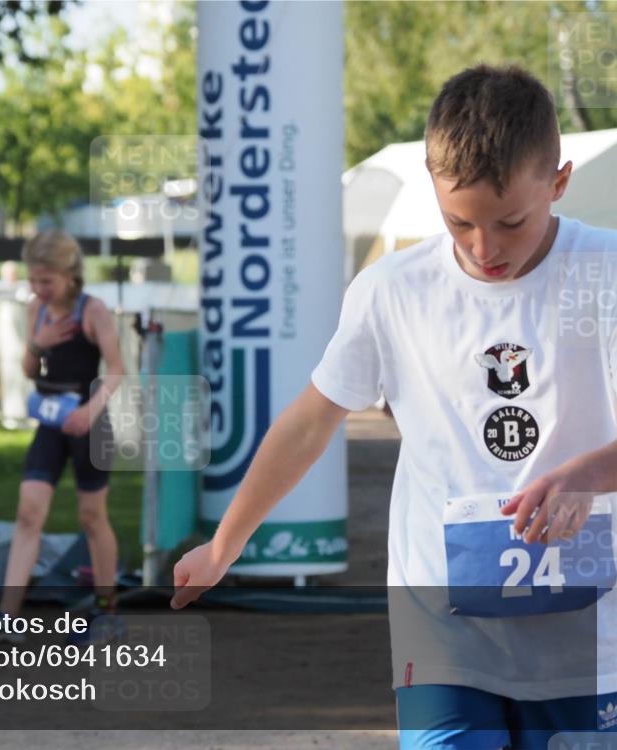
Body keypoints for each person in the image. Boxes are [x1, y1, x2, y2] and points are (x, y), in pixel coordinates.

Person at [171, 65, 616, 748]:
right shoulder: (392, 291)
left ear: (559, 181)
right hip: (441, 616)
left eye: (511, 222)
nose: (484, 248)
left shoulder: (605, 272)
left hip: (586, 622)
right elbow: (310, 421)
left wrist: (587, 475)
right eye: (458, 221)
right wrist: (226, 543)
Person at [0, 230, 124, 645]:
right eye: (34, 280)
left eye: (46, 281)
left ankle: (106, 612)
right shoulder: (37, 309)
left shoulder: (93, 310)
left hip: (89, 425)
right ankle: (7, 618)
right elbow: (30, 370)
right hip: (50, 423)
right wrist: (37, 343)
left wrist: (90, 411)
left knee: (92, 518)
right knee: (29, 512)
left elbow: (116, 369)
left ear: (70, 276)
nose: (38, 289)